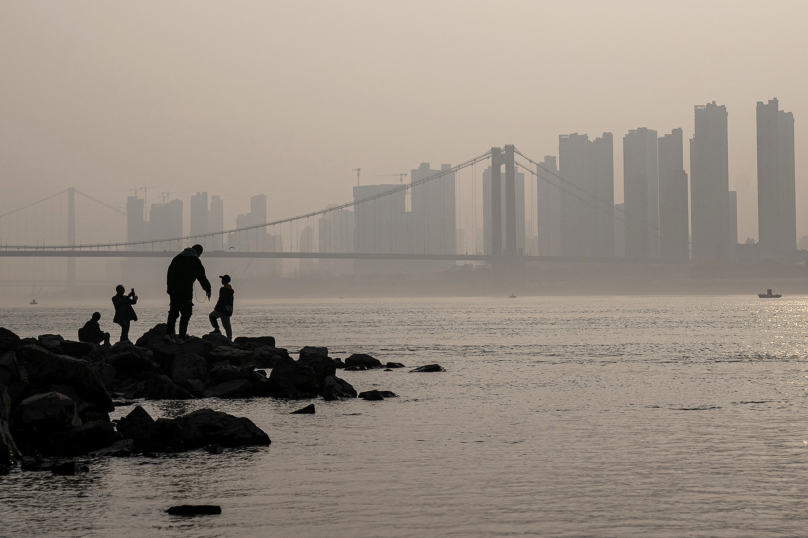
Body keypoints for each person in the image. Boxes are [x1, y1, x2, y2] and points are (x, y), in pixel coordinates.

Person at [165, 244, 211, 343]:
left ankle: (169, 335)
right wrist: (208, 289)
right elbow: (201, 277)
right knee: (186, 313)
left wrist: (169, 289)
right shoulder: (195, 260)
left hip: (173, 290)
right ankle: (182, 336)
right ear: (198, 252)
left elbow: (169, 274)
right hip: (185, 290)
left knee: (173, 312)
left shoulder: (177, 258)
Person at [209, 274, 234, 340]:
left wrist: (217, 308)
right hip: (228, 309)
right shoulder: (230, 290)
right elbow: (230, 301)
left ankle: (217, 330)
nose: (221, 281)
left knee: (212, 316)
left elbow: (221, 299)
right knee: (227, 325)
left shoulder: (223, 289)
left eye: (222, 280)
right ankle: (230, 338)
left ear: (224, 281)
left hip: (222, 309)